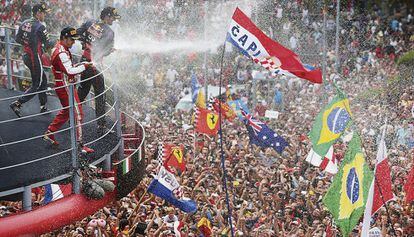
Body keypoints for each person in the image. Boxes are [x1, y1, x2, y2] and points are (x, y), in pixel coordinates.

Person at [43, 27, 94, 154]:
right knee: (78, 114)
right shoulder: (61, 52)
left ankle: (50, 133)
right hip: (65, 86)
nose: (73, 42)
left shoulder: (60, 48)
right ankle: (80, 145)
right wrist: (84, 66)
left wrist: (79, 66)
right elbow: (69, 71)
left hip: (63, 84)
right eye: (71, 40)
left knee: (67, 111)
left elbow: (67, 68)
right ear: (64, 38)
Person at [77, 6, 120, 135]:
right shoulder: (109, 32)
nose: (114, 20)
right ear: (107, 16)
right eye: (113, 17)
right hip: (95, 66)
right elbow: (104, 51)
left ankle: (70, 117)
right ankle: (101, 126)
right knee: (100, 95)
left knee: (83, 90)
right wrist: (110, 51)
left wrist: (84, 42)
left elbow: (78, 32)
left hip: (84, 61)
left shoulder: (91, 22)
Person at [10, 2, 53, 117]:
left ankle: (43, 107)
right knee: (37, 84)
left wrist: (28, 44)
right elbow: (48, 45)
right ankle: (18, 103)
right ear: (38, 13)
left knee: (43, 80)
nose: (45, 15)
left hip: (26, 55)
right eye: (44, 13)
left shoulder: (24, 22)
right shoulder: (40, 26)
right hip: (34, 57)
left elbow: (18, 39)